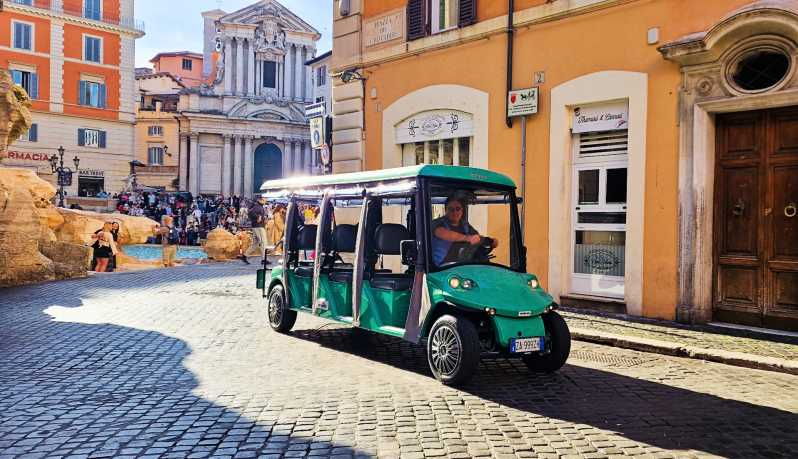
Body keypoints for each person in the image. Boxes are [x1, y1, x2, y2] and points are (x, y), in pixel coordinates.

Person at [431, 194, 498, 266]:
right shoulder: (438, 223)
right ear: (446, 210)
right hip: (442, 267)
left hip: (463, 264)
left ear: (462, 211)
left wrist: (490, 241)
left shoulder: (465, 224)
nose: (455, 212)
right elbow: (442, 233)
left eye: (458, 209)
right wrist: (467, 238)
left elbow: (476, 237)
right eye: (451, 209)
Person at [244, 196, 269, 263]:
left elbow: (251, 212)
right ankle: (264, 259)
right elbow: (250, 213)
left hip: (257, 226)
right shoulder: (258, 206)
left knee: (256, 243)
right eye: (264, 199)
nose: (265, 200)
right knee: (263, 242)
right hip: (259, 227)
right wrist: (258, 217)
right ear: (259, 200)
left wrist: (261, 218)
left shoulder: (258, 206)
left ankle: (245, 255)